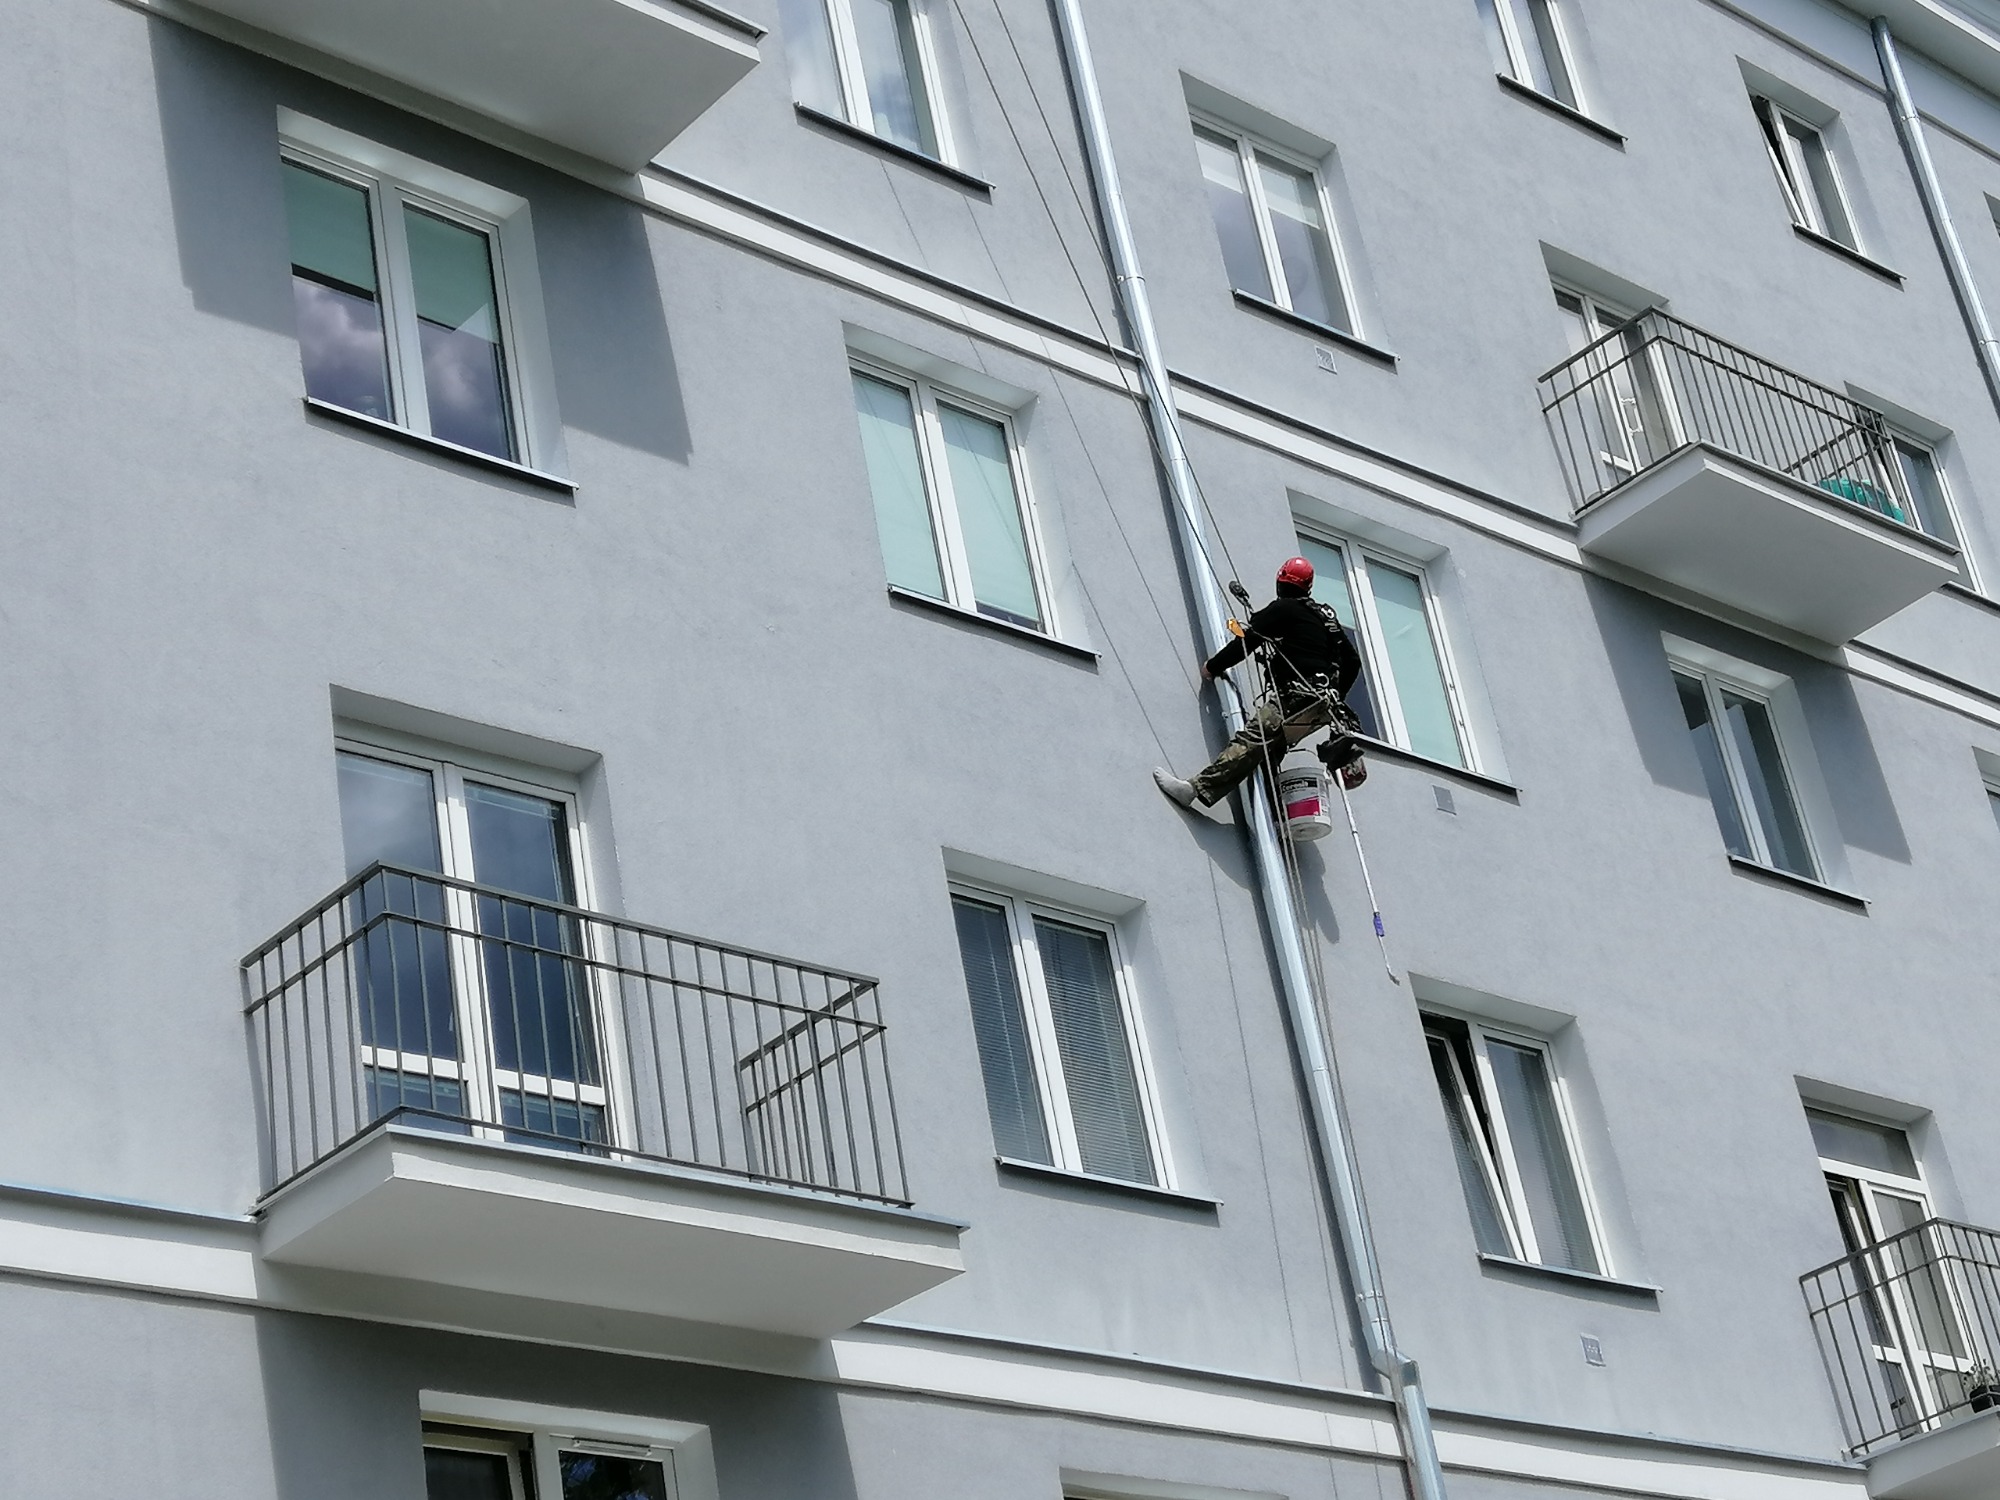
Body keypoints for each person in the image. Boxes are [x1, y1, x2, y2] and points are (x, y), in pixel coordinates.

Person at [1154, 555, 1367, 809]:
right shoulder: (1324, 617)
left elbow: (1245, 640)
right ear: (1308, 587)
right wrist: (1335, 693)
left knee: (1251, 739)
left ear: (1281, 581)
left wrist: (1212, 667)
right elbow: (1352, 662)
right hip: (1321, 707)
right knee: (1270, 753)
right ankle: (1276, 816)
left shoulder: (1284, 609)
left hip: (1296, 697)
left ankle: (1195, 789)